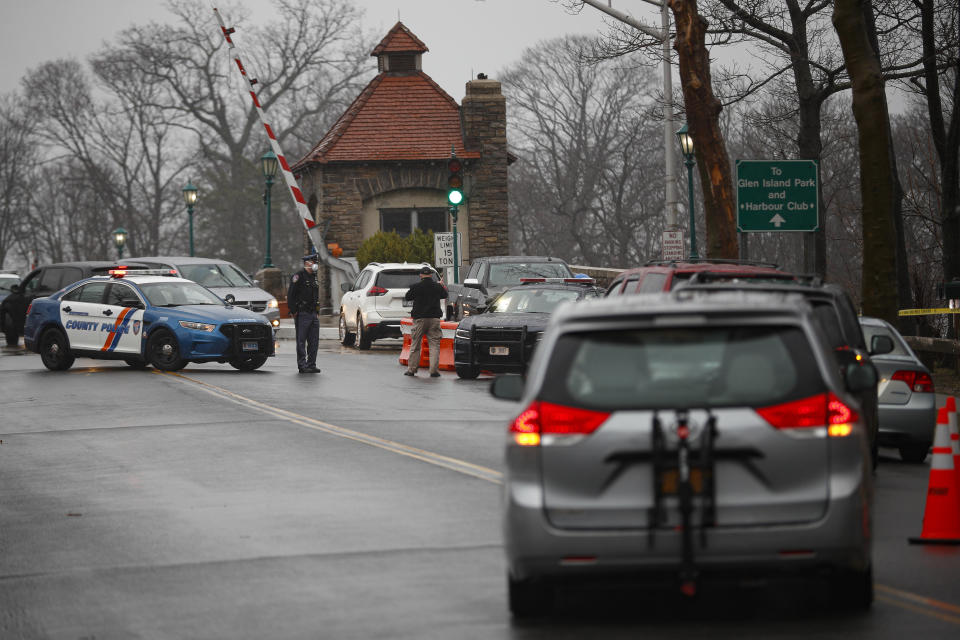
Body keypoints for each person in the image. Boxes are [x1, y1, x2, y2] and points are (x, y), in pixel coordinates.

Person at [404, 266, 448, 377]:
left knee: (416, 344)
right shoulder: (437, 287)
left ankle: (412, 369)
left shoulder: (416, 287)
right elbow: (445, 295)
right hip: (434, 319)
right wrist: (441, 285)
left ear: (420, 275)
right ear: (431, 275)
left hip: (419, 319)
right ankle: (433, 371)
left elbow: (407, 297)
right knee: (434, 345)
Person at [287, 253, 321, 374]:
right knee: (301, 340)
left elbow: (315, 296)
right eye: (313, 262)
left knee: (314, 340)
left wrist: (317, 311)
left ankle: (312, 364)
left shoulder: (314, 277)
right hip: (302, 313)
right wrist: (294, 311)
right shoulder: (298, 276)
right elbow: (291, 295)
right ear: (307, 263)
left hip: (313, 314)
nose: (315, 264)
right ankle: (302, 365)